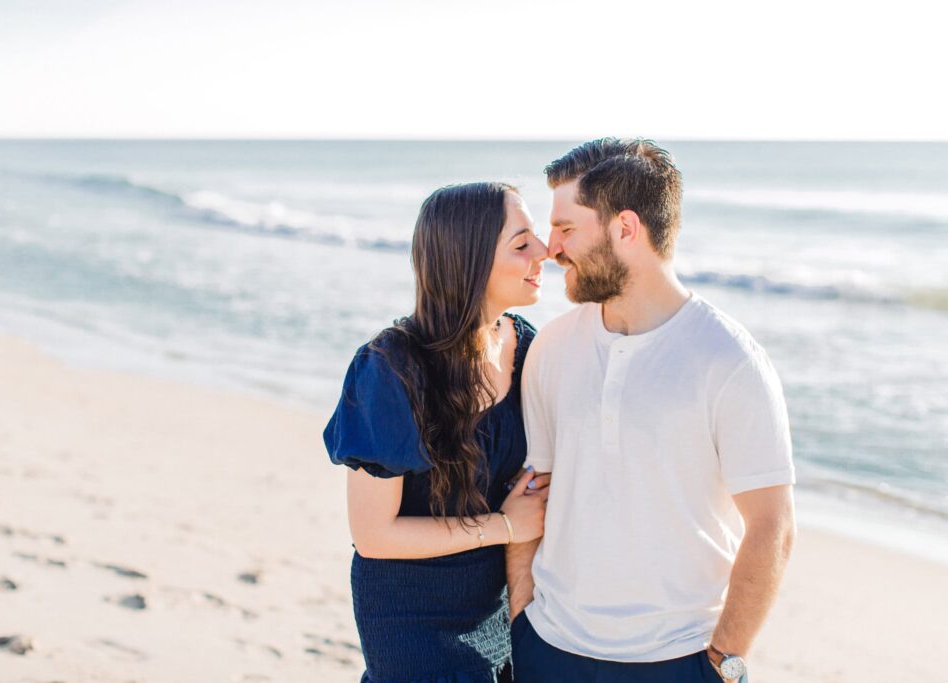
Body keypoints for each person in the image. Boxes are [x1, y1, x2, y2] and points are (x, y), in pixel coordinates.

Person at [506, 139, 797, 683]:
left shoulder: (729, 361)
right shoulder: (551, 347)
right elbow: (534, 487)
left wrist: (722, 663)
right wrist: (522, 616)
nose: (551, 248)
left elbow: (772, 527)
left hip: (678, 662)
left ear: (625, 229)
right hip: (548, 647)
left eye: (567, 229)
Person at [324, 181, 551, 682]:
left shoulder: (531, 350)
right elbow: (374, 535)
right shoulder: (389, 367)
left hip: (493, 614)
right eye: (521, 244)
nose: (545, 251)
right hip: (409, 618)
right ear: (468, 261)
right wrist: (504, 526)